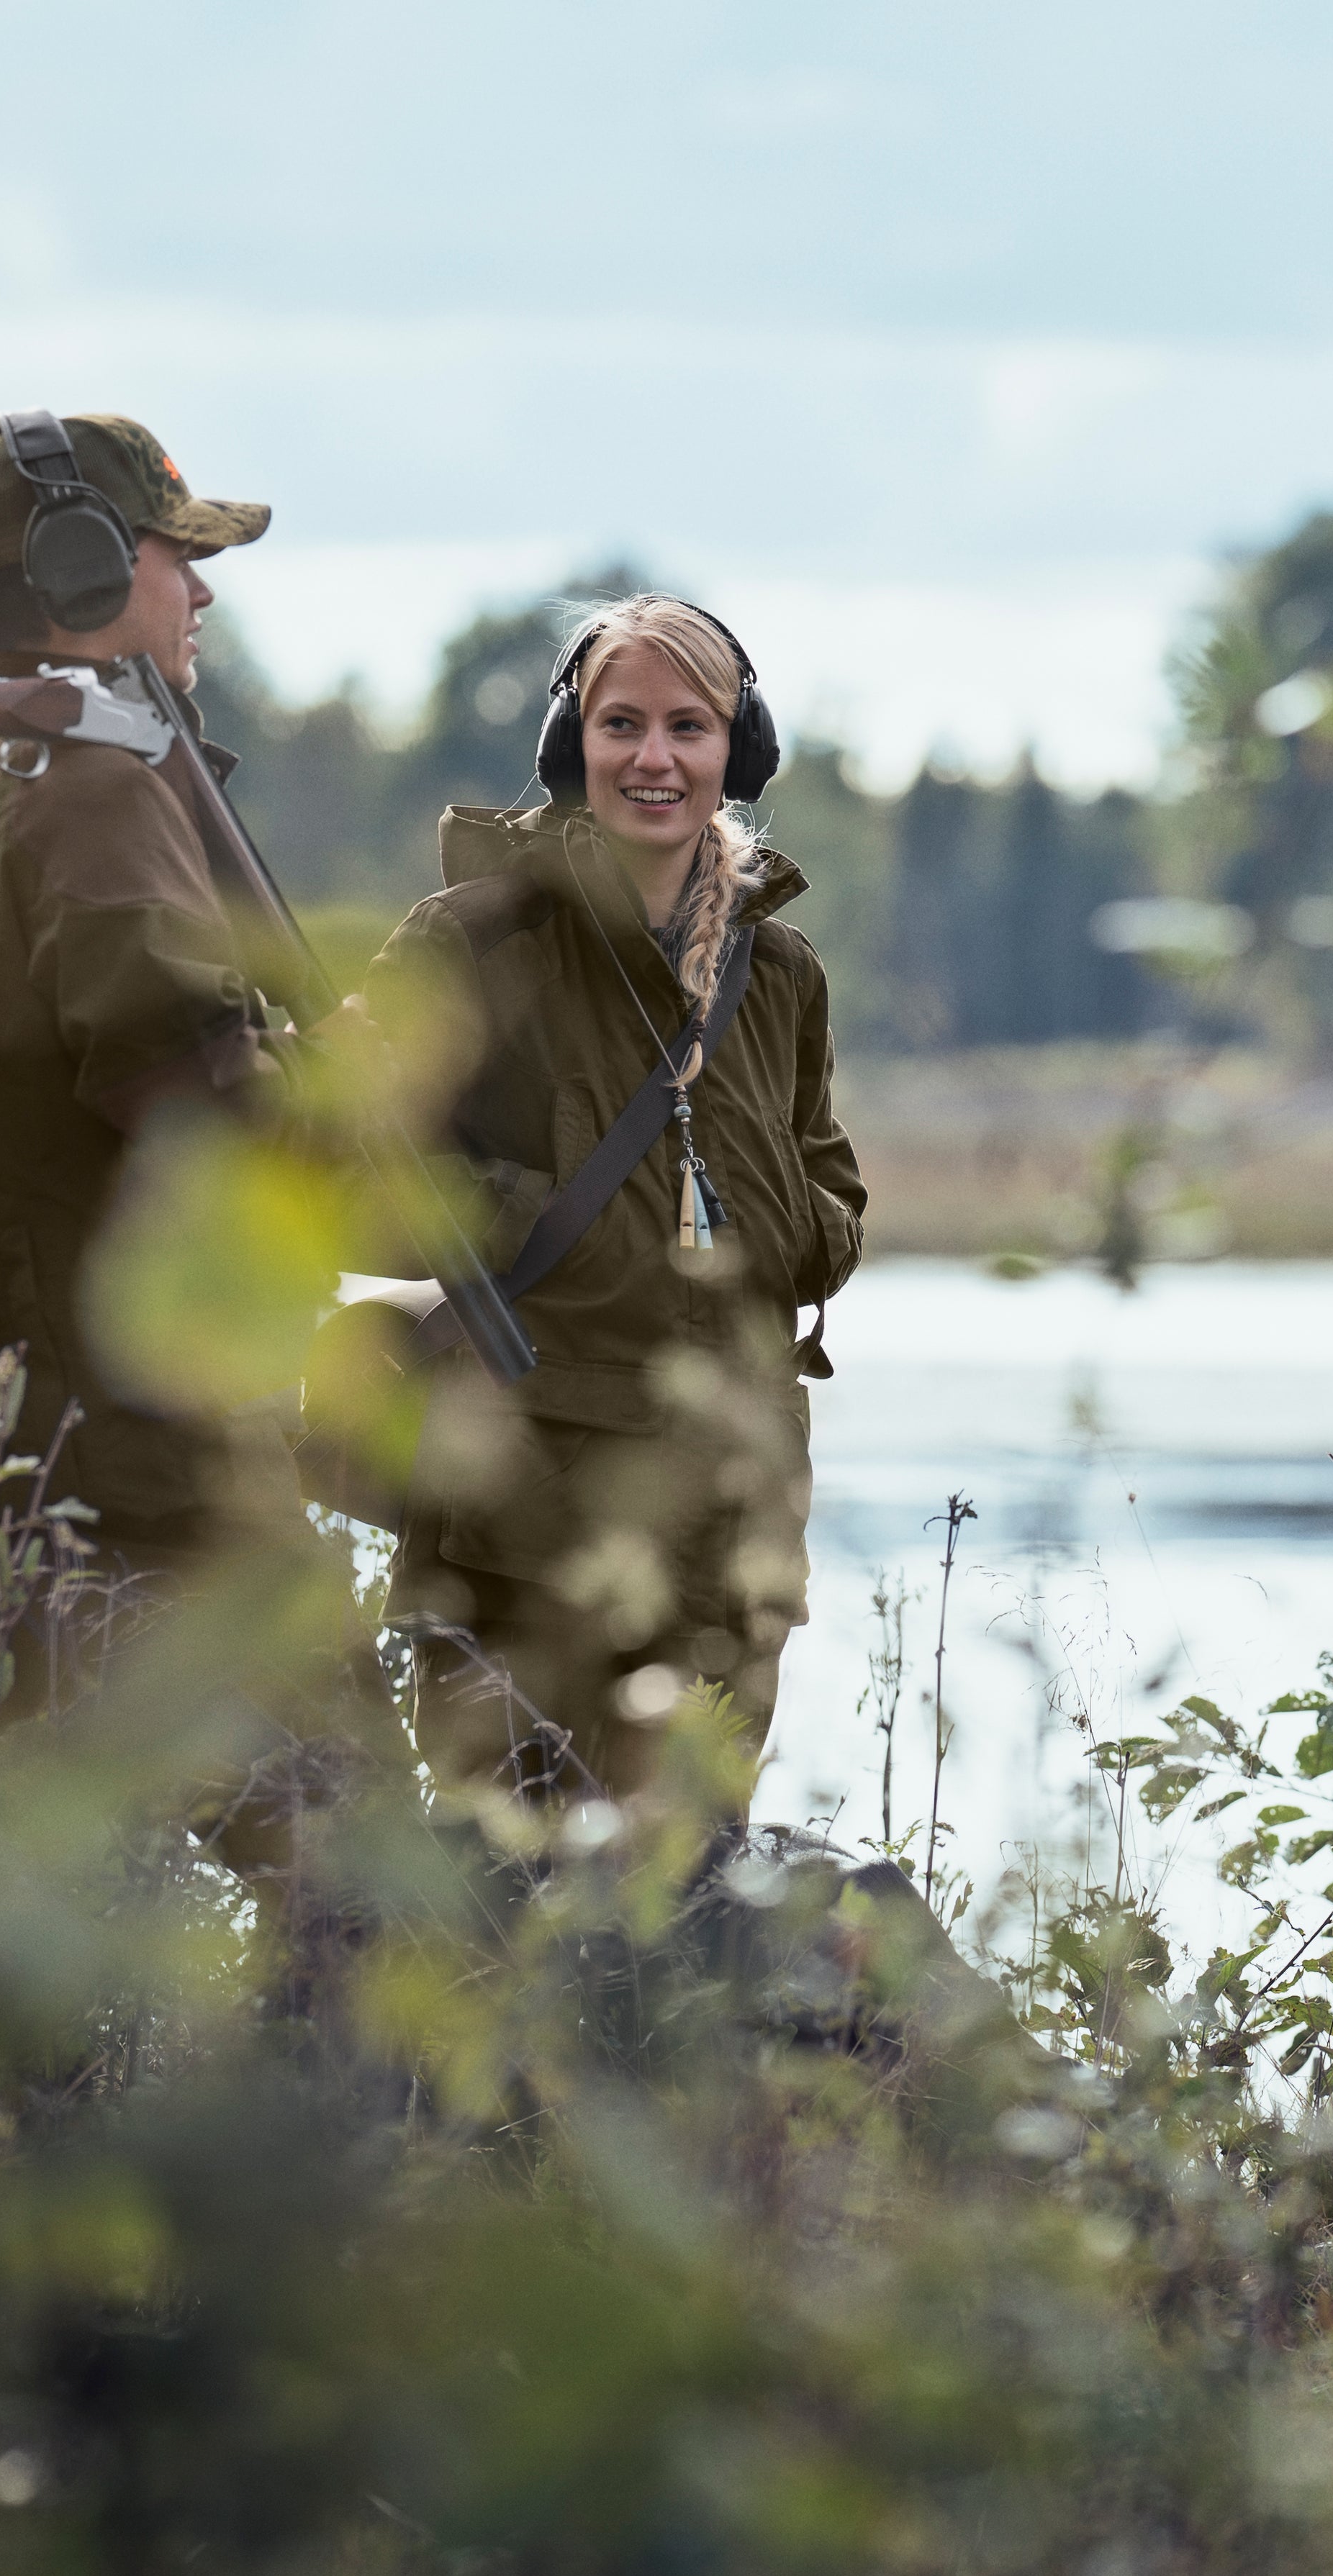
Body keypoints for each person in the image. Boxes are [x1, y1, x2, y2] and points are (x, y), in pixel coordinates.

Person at [363, 596, 867, 1801]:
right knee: (510, 1891)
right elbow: (352, 1170)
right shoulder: (471, 943)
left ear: (735, 752)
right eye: (621, 723)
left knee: (694, 1899)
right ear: (570, 746)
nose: (654, 758)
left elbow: (829, 1181)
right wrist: (539, 1219)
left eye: (689, 726)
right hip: (524, 1501)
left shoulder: (782, 970)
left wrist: (791, 1229)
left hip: (730, 1504)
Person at [0, 410, 299, 1624]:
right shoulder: (97, 794)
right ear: (83, 566)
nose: (201, 590)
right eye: (175, 554)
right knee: (325, 1808)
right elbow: (200, 1118)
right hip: (131, 1466)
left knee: (44, 1806)